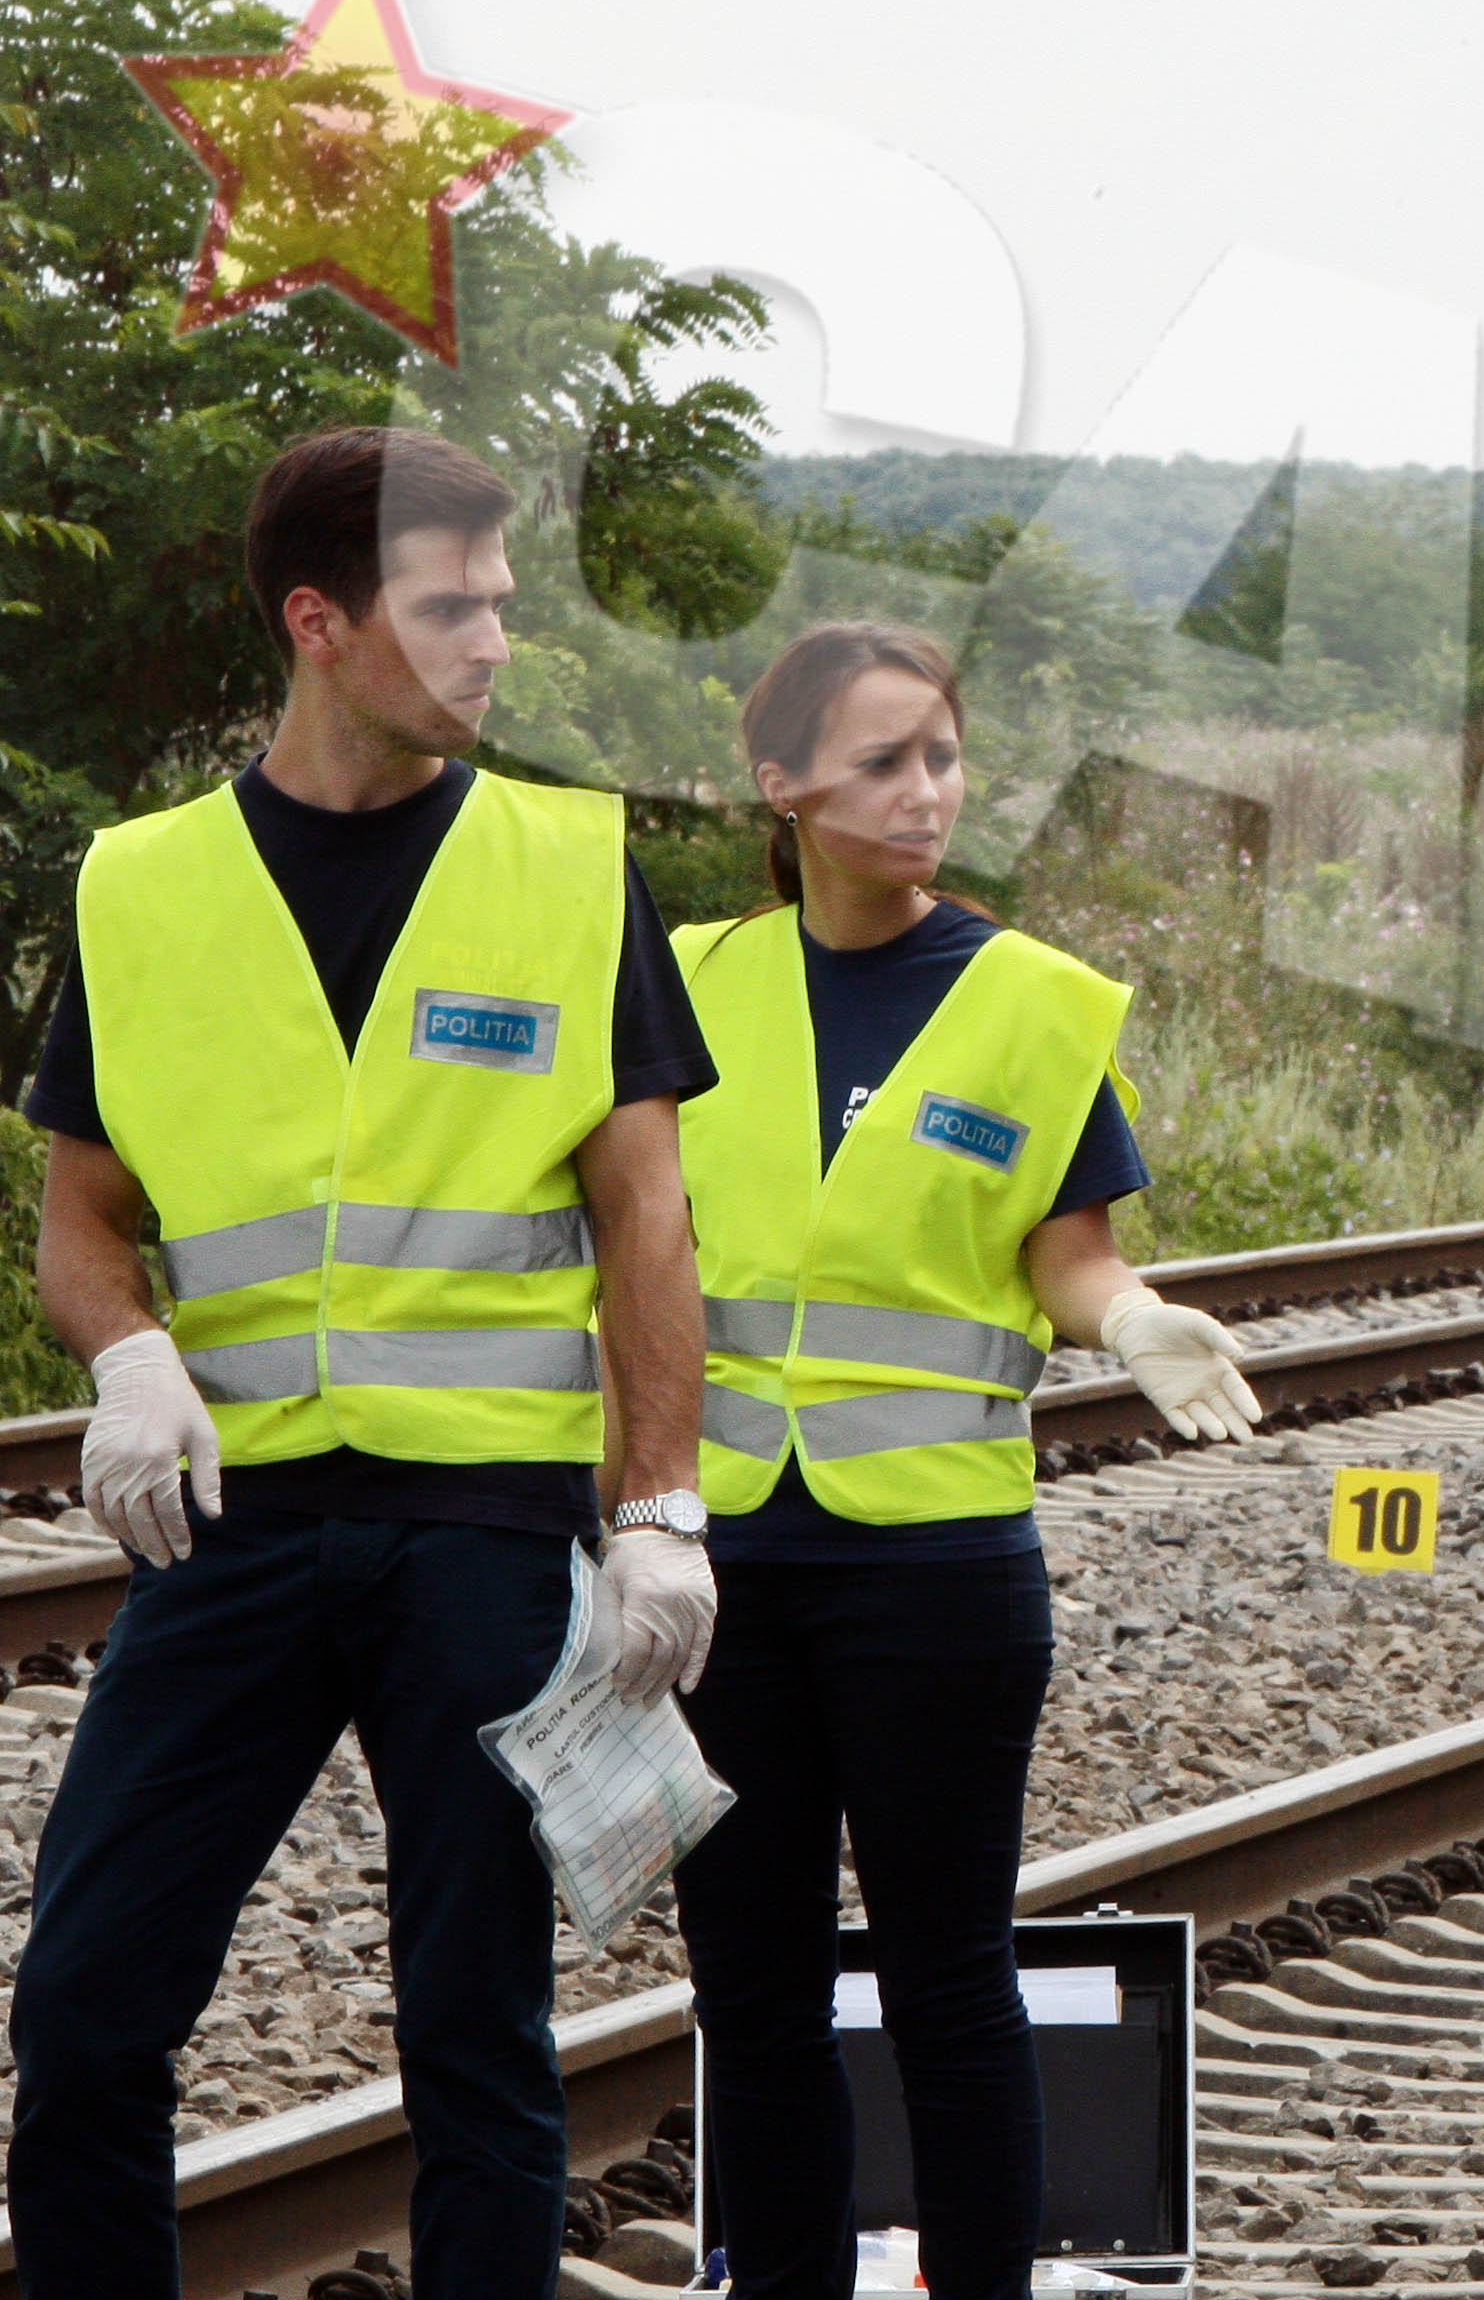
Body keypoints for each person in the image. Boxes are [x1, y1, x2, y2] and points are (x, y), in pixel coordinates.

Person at [9, 425, 720, 2297]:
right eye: (449, 606)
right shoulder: (138, 890)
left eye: (500, 600)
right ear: (319, 621)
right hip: (230, 1534)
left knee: (474, 2034)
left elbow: (647, 1215)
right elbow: (82, 1219)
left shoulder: (570, 865)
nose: (495, 643)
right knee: (81, 2011)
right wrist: (132, 1348)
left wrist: (661, 1509)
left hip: (484, 1536)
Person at [668, 624, 1262, 2300]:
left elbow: (1064, 1254)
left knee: (949, 1978)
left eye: (940, 756)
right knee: (752, 1989)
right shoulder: (689, 979)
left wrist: (1130, 1313)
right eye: (882, 762)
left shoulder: (1028, 1004)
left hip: (935, 1566)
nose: (925, 793)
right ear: (778, 785)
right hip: (714, 1564)